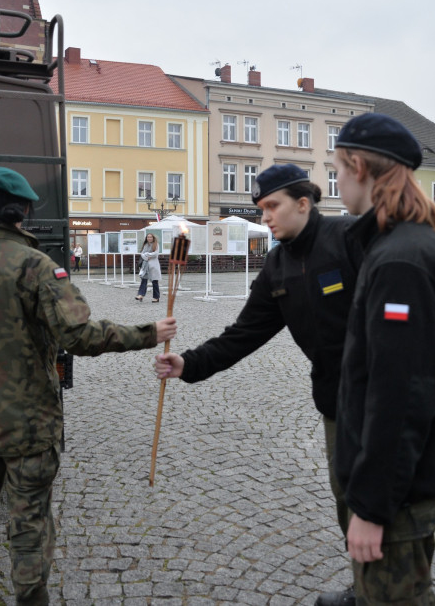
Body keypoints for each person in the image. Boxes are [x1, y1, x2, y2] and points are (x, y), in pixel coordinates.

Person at [0, 167, 177, 606]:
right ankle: (30, 599)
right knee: (29, 519)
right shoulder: (37, 267)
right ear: (26, 211)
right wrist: (149, 333)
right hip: (28, 423)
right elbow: (80, 336)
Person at [154, 164, 363, 606]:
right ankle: (368, 584)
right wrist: (188, 363)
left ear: (303, 203)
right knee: (350, 496)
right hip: (336, 402)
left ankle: (397, 589)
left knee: (392, 499)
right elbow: (245, 332)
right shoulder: (278, 264)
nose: (264, 216)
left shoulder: (351, 238)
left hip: (386, 397)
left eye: (272, 206)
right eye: (260, 208)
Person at [331, 113, 435, 604]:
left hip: (401, 491)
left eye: (337, 170)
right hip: (404, 484)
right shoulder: (400, 246)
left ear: (358, 166)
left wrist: (371, 506)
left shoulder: (400, 259)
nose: (338, 182)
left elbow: (403, 392)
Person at [135, 232, 162, 302]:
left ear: (153, 238)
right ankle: (141, 295)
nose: (149, 238)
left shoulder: (156, 245)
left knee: (155, 281)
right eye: (148, 237)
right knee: (144, 280)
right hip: (145, 266)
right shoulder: (145, 245)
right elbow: (142, 254)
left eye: (150, 237)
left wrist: (147, 254)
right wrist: (147, 256)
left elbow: (156, 254)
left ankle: (156, 297)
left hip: (154, 266)